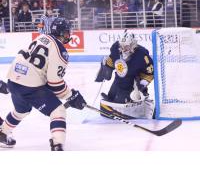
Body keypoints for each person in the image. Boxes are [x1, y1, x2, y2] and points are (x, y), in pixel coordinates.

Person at [0, 17, 86, 150]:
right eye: (68, 33)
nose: (69, 35)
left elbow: (24, 57)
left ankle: (3, 132)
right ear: (63, 33)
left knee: (21, 110)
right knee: (58, 111)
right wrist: (71, 95)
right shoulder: (60, 50)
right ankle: (57, 144)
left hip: (13, 80)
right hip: (29, 86)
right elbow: (55, 84)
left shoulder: (40, 38)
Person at [95, 29, 154, 119]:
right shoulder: (115, 48)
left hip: (133, 82)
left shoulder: (142, 54)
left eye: (126, 46)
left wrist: (142, 85)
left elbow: (150, 72)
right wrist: (106, 68)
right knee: (111, 98)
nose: (123, 49)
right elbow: (112, 59)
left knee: (123, 102)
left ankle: (144, 100)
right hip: (119, 79)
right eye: (121, 46)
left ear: (133, 44)